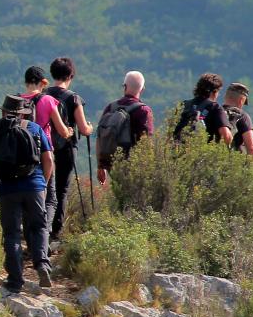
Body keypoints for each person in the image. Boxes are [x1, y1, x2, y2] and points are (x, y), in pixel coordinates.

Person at [0, 94, 54, 291]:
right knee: (39, 227)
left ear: (3, 111)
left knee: (11, 233)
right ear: (22, 114)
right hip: (34, 186)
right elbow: (49, 160)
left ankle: (15, 280)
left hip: (8, 189)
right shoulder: (35, 129)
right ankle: (42, 264)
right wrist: (42, 184)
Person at [21, 65, 74, 248]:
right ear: (44, 82)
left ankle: (30, 241)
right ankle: (44, 237)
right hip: (44, 155)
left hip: (20, 158)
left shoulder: (17, 101)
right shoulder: (48, 101)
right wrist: (69, 132)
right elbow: (62, 131)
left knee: (26, 199)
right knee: (50, 197)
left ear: (26, 82)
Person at [44, 56, 94, 242]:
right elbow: (82, 128)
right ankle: (55, 232)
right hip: (66, 149)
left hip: (44, 148)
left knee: (44, 188)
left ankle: (40, 229)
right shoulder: (73, 98)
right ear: (71, 75)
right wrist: (90, 128)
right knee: (61, 189)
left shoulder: (43, 96)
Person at [96, 70, 154, 185]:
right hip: (134, 166)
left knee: (120, 196)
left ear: (124, 86)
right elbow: (146, 142)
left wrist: (100, 165)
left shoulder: (111, 108)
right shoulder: (143, 111)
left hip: (112, 163)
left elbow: (100, 137)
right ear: (142, 89)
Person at [173, 73, 232, 145]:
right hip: (203, 154)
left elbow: (171, 131)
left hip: (179, 153)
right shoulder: (215, 108)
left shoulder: (183, 105)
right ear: (214, 92)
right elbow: (226, 135)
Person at [222, 82, 253, 160]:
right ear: (241, 100)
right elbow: (252, 147)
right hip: (230, 164)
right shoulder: (242, 116)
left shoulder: (215, 111)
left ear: (225, 97)